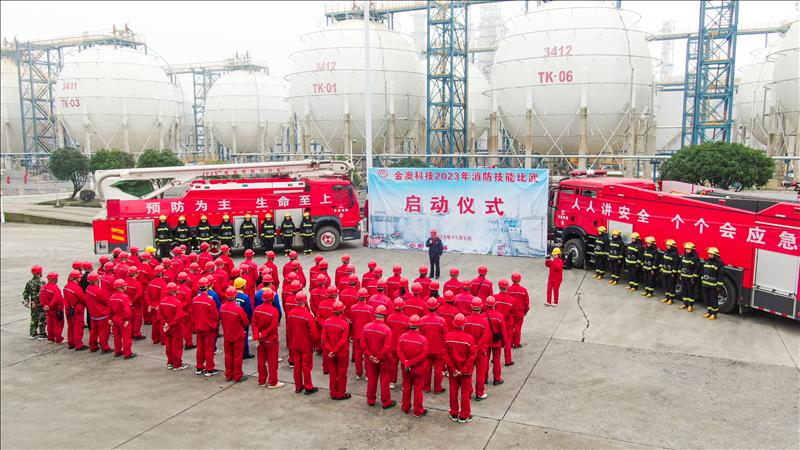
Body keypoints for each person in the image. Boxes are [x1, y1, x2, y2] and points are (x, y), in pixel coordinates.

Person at [444, 313, 478, 423]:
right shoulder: (469, 339)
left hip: (453, 372)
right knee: (465, 393)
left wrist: (453, 369)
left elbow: (445, 355)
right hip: (465, 372)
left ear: (454, 324)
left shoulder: (448, 337)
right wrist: (463, 370)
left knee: (453, 392)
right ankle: (464, 415)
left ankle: (454, 413)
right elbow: (472, 356)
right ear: (464, 325)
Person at [361, 305, 396, 408]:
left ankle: (370, 400)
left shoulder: (366, 327)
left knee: (371, 380)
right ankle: (386, 402)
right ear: (385, 316)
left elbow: (363, 344)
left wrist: (370, 356)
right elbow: (387, 347)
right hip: (383, 360)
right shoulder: (387, 330)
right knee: (384, 381)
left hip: (370, 359)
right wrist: (378, 357)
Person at [287, 292, 319, 394]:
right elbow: (314, 334)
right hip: (306, 344)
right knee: (306, 366)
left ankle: (298, 386)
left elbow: (289, 330)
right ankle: (308, 386)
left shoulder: (291, 313)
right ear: (305, 301)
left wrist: (291, 341)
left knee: (297, 365)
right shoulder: (307, 315)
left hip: (295, 343)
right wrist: (315, 344)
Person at [397, 314, 429, 417]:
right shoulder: (423, 340)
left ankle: (405, 407)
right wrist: (411, 362)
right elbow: (423, 355)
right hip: (418, 368)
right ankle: (418, 410)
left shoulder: (402, 337)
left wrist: (406, 362)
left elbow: (399, 351)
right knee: (418, 390)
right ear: (419, 326)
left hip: (406, 368)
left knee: (406, 388)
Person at [252, 287, 284, 388]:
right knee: (272, 362)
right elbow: (273, 326)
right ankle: (272, 382)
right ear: (272, 299)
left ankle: (261, 380)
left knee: (261, 361)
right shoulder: (274, 311)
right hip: (271, 340)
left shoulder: (257, 309)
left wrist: (257, 336)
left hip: (260, 340)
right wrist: (263, 334)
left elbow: (254, 324)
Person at [323, 301, 351, 400]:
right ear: (342, 311)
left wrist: (330, 350)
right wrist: (334, 351)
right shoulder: (345, 324)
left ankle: (333, 392)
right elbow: (343, 340)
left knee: (332, 373)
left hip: (330, 352)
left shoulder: (327, 322)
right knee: (342, 373)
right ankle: (340, 393)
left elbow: (324, 338)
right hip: (341, 352)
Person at [193, 277, 221, 377]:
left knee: (200, 348)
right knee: (209, 349)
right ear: (208, 287)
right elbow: (216, 315)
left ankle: (199, 367)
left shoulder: (195, 299)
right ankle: (210, 369)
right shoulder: (210, 300)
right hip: (209, 328)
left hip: (198, 327)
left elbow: (193, 312)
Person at [221, 286, 249, 382]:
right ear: (235, 296)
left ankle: (228, 374)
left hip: (227, 335)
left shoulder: (222, 307)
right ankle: (237, 375)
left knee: (228, 356)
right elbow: (245, 322)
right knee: (237, 356)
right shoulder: (238, 309)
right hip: (237, 336)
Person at [420, 298, 447, 394]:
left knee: (426, 369)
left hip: (427, 349)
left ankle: (426, 387)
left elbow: (420, 335)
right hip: (439, 349)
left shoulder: (422, 320)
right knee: (438, 370)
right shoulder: (442, 321)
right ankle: (437, 388)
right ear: (437, 307)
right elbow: (445, 336)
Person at [464, 298, 490, 401]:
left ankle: (468, 392)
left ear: (471, 307)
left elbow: (464, 335)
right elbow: (484, 338)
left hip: (468, 351)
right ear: (481, 307)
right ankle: (479, 393)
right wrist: (477, 347)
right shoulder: (484, 322)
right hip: (480, 352)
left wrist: (471, 347)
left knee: (468, 373)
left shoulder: (466, 320)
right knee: (480, 374)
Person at [159, 282, 188, 370]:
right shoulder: (177, 302)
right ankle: (177, 364)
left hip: (166, 327)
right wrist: (170, 324)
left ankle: (170, 362)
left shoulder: (162, 301)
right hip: (176, 327)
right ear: (175, 291)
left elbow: (159, 315)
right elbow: (179, 316)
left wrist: (165, 323)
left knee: (169, 345)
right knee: (177, 346)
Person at [350, 288, 375, 381]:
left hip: (356, 333)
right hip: (367, 335)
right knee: (367, 355)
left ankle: (359, 374)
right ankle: (368, 374)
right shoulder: (370, 309)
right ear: (366, 297)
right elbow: (372, 322)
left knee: (358, 355)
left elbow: (352, 321)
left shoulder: (353, 308)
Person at [85, 272, 112, 353]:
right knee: (104, 332)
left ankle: (93, 346)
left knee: (94, 331)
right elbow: (106, 301)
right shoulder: (97, 290)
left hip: (93, 314)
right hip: (101, 314)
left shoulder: (88, 288)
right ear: (96, 280)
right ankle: (105, 347)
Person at [386, 298, 410, 389]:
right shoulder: (407, 319)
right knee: (405, 364)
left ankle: (391, 382)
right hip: (403, 345)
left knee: (392, 363)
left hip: (392, 344)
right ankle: (405, 384)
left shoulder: (389, 317)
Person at [109, 279, 135, 359]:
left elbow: (109, 309)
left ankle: (117, 351)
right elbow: (127, 310)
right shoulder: (125, 297)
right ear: (121, 287)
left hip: (115, 318)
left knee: (117, 336)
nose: (126, 287)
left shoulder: (112, 296)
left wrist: (110, 318)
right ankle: (127, 353)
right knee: (126, 337)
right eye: (125, 286)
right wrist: (127, 319)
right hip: (123, 319)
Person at [63, 270, 87, 350]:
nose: (80, 279)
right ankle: (79, 345)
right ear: (75, 278)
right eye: (79, 277)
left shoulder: (66, 286)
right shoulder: (77, 288)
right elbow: (83, 299)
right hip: (77, 311)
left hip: (68, 309)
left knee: (70, 327)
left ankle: (71, 343)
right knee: (78, 328)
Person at [484, 296, 505, 385]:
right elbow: (503, 331)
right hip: (496, 342)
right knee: (496, 360)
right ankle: (497, 379)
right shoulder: (499, 316)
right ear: (495, 305)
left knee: (485, 360)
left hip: (485, 342)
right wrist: (504, 342)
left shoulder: (482, 316)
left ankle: (484, 378)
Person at [493, 279, 514, 365]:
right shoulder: (512, 300)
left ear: (499, 287)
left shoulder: (494, 298)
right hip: (507, 324)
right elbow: (514, 312)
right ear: (507, 287)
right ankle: (508, 360)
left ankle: (495, 358)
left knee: (496, 342)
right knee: (507, 342)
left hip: (496, 323)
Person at [233, 277, 254, 359]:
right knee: (244, 337)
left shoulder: (232, 295)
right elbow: (248, 310)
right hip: (243, 321)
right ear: (243, 286)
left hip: (233, 320)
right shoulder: (245, 297)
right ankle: (245, 353)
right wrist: (249, 320)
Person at [701, 247, 725, 321]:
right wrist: (702, 279)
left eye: (711, 254)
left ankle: (714, 314)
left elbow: (720, 275)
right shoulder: (707, 261)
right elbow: (703, 271)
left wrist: (719, 286)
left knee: (713, 299)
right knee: (706, 298)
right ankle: (709, 312)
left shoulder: (719, 264)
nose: (709, 255)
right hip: (705, 284)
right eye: (709, 254)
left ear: (715, 255)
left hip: (713, 285)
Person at [23, 265, 46, 339]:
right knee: (42, 318)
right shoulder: (41, 282)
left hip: (32, 304)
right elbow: (41, 293)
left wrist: (27, 300)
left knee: (34, 318)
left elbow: (25, 292)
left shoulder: (29, 282)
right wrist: (36, 301)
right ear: (39, 272)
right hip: (40, 303)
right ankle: (42, 333)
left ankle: (33, 333)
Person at [41, 272, 64, 343]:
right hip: (56, 309)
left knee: (50, 324)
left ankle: (50, 338)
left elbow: (41, 299)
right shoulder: (55, 288)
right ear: (54, 279)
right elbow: (56, 300)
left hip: (48, 309)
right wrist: (50, 306)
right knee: (58, 324)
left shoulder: (43, 287)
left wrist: (45, 306)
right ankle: (58, 339)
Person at [508, 273, 530, 348]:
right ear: (520, 280)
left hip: (511, 312)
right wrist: (525, 311)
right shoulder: (523, 290)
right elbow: (526, 302)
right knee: (518, 328)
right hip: (520, 312)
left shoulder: (508, 290)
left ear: (512, 279)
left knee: (510, 328)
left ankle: (510, 343)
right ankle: (516, 343)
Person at [678, 242, 701, 312]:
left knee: (691, 292)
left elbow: (697, 268)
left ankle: (690, 305)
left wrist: (694, 277)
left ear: (692, 249)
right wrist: (679, 273)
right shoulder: (684, 256)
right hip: (683, 277)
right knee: (684, 291)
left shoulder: (695, 258)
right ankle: (685, 303)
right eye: (686, 249)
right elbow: (680, 265)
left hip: (690, 278)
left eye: (688, 249)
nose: (687, 250)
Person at [660, 239, 680, 305]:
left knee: (671, 286)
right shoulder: (666, 252)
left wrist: (673, 272)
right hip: (664, 271)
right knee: (665, 285)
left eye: (669, 245)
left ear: (672, 246)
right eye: (667, 245)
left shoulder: (675, 254)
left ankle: (671, 299)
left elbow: (675, 264)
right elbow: (663, 260)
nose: (667, 246)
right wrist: (661, 267)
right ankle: (667, 297)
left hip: (670, 273)